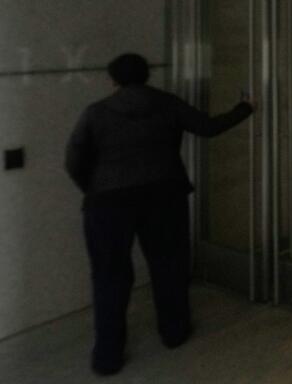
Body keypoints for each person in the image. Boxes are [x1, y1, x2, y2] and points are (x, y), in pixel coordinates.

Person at [64, 53, 254, 376]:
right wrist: (245, 109)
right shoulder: (168, 103)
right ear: (147, 75)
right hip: (165, 196)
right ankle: (174, 332)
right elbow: (208, 127)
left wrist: (94, 189)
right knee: (169, 266)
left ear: (113, 79)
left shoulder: (96, 113)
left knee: (109, 276)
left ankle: (107, 357)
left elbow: (74, 160)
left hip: (108, 204)